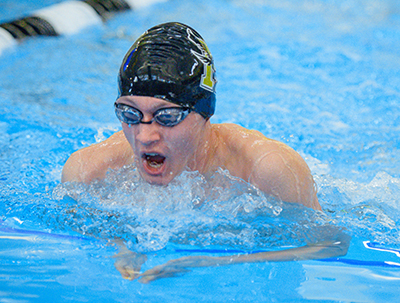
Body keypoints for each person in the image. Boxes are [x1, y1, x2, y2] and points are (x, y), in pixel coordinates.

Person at [62, 22, 348, 282]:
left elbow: (332, 244)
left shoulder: (267, 169)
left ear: (204, 114)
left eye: (167, 117)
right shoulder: (88, 171)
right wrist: (119, 245)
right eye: (130, 113)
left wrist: (215, 261)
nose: (144, 136)